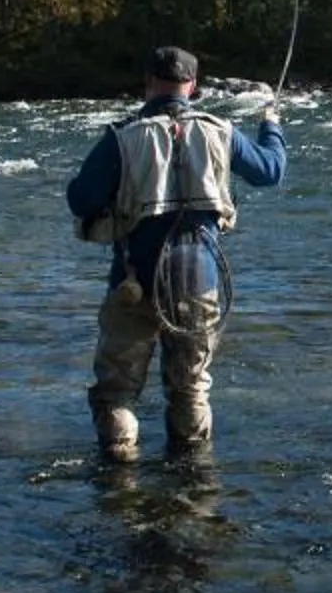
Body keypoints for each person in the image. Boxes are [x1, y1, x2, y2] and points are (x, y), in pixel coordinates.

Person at [64, 44, 286, 460]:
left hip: (133, 280)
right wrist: (270, 124)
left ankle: (119, 482)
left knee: (117, 391)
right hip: (198, 278)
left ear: (148, 82)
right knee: (190, 387)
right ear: (193, 86)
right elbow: (271, 171)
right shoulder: (221, 130)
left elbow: (80, 200)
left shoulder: (121, 138)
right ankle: (194, 486)